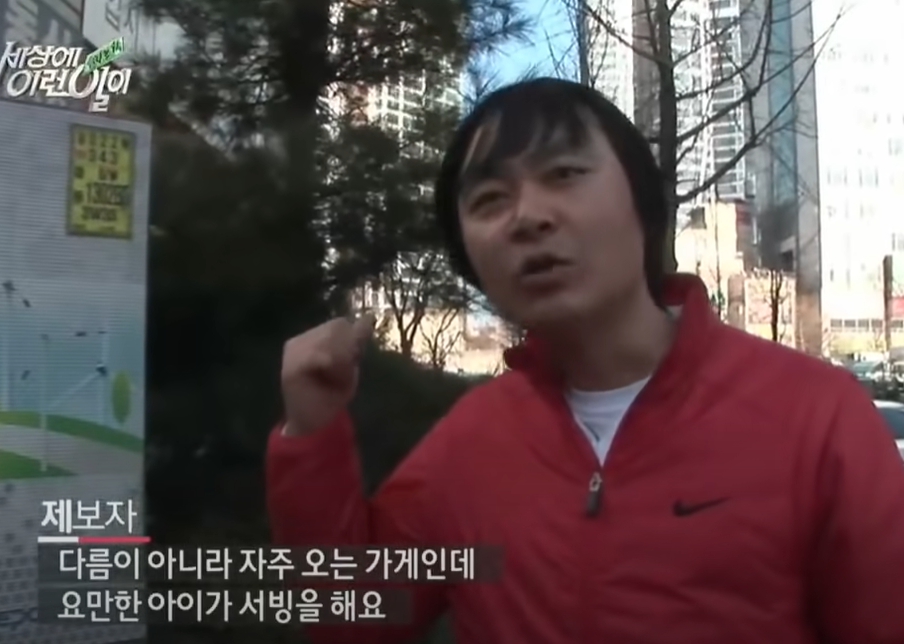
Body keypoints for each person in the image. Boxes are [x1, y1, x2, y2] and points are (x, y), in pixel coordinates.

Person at [266, 78, 904, 644]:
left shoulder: (816, 415)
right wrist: (311, 435)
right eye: (489, 201)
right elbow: (352, 620)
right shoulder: (469, 445)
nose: (527, 217)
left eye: (565, 173)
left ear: (643, 205)